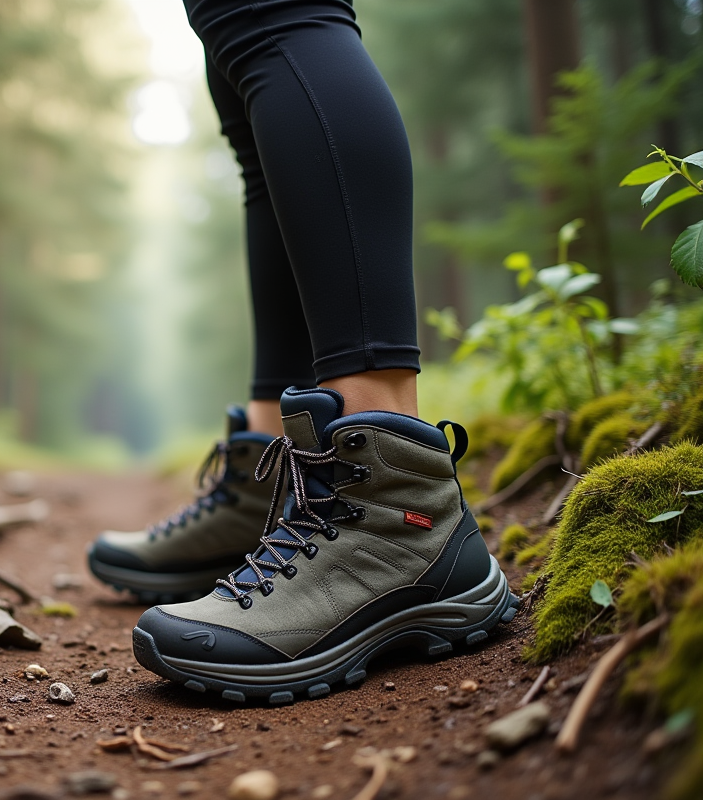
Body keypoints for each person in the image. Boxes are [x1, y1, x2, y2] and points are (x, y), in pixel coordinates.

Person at [87, 0, 517, 702]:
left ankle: (390, 503)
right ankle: (276, 476)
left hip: (397, 511)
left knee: (272, 14)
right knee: (250, 107)